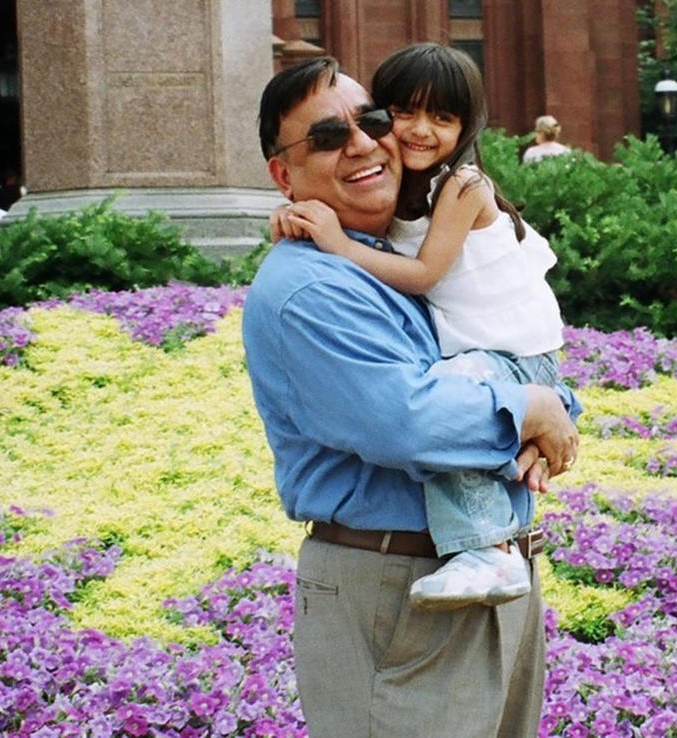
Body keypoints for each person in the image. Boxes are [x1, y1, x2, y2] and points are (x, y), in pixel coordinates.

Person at [245, 56, 578, 737]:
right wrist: (532, 413)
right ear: (284, 175)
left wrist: (550, 412)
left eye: (369, 120)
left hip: (483, 571)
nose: (364, 143)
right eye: (328, 137)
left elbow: (505, 350)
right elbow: (406, 420)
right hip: (397, 588)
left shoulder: (394, 246)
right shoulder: (314, 288)